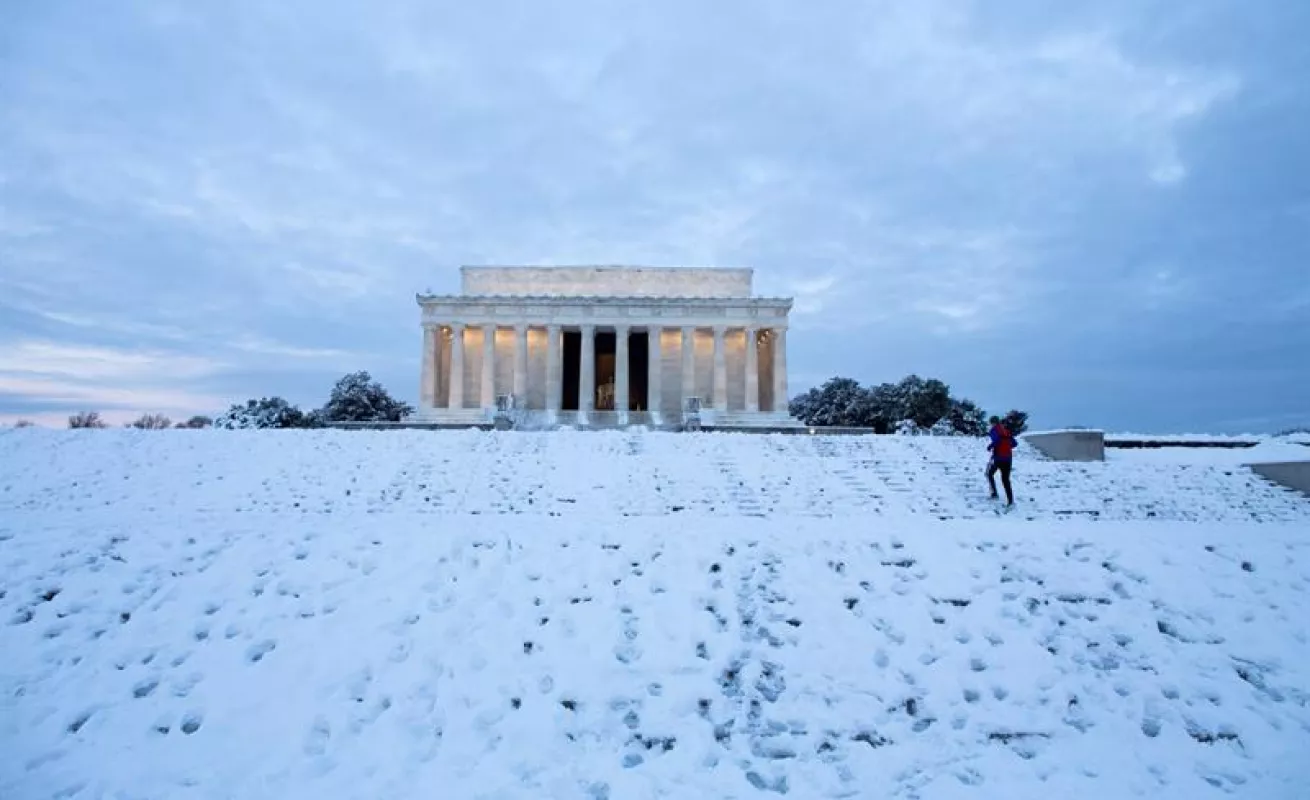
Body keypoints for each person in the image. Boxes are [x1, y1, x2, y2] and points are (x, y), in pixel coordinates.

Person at [986, 416, 1018, 506]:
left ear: (992, 423)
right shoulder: (1005, 430)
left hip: (998, 458)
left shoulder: (994, 430)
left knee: (989, 474)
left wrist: (990, 447)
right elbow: (1015, 443)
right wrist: (1007, 447)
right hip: (1008, 458)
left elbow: (997, 441)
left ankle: (994, 493)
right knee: (1006, 480)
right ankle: (1010, 501)